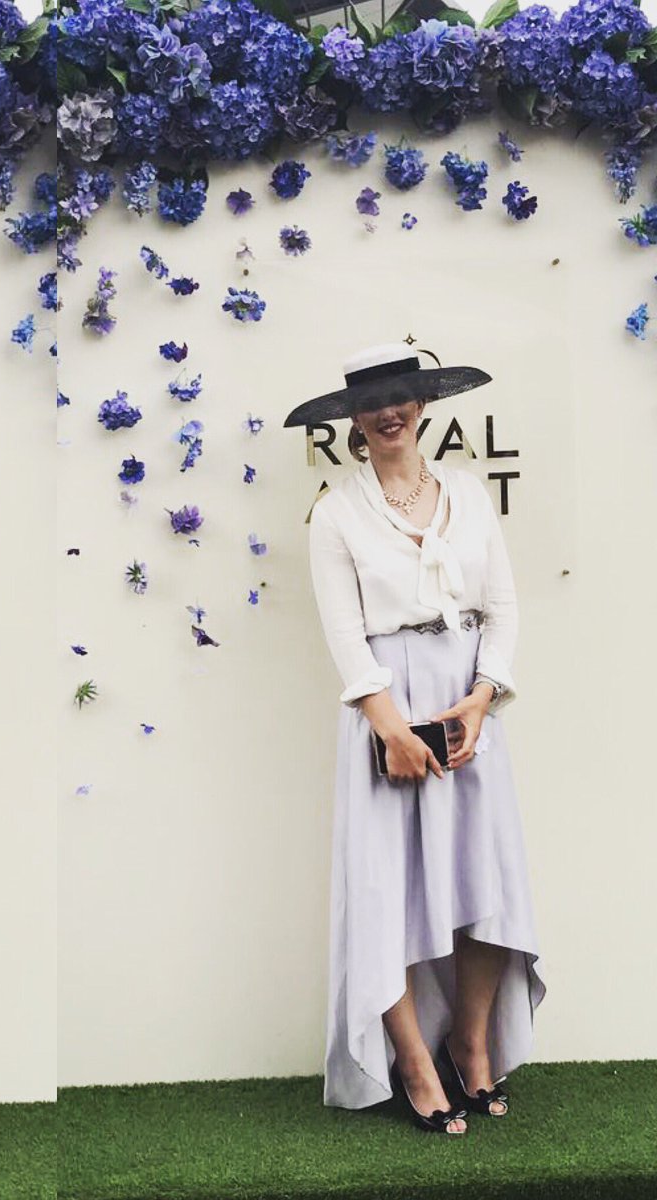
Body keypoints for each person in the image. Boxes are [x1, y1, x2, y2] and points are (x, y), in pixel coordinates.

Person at [285, 341, 544, 1135]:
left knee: (484, 880)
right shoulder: (334, 512)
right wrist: (392, 729)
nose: (387, 411)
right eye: (371, 402)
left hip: (469, 711)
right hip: (384, 720)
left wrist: (481, 697)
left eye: (401, 396)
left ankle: (471, 1046)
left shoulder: (468, 494)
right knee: (384, 889)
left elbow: (501, 607)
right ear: (353, 420)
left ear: (423, 403)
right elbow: (344, 635)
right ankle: (414, 1063)